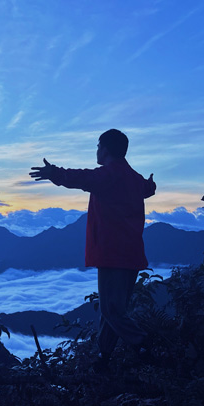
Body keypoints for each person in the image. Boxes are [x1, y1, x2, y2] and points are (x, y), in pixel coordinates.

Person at [29, 129, 156, 372]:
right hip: (131, 253)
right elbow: (146, 189)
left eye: (98, 146)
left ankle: (142, 344)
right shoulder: (133, 177)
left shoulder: (110, 174)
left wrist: (53, 172)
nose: (96, 151)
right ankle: (103, 357)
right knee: (114, 309)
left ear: (105, 148)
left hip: (112, 253)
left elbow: (81, 178)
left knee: (110, 309)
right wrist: (151, 184)